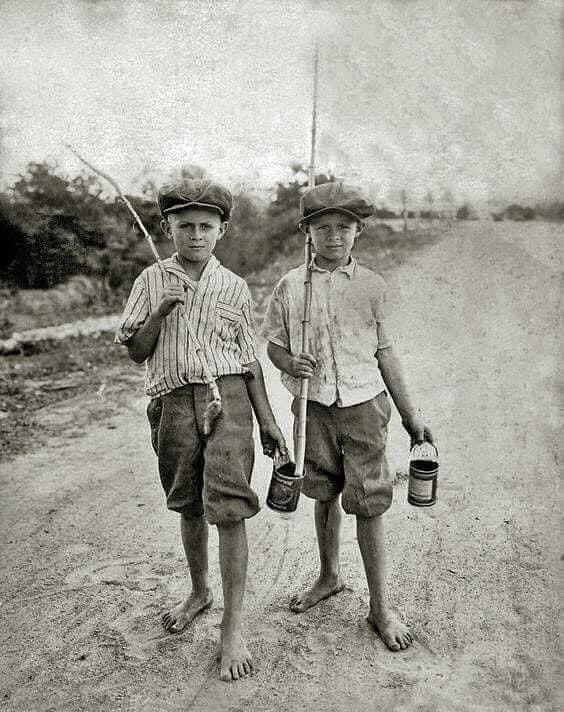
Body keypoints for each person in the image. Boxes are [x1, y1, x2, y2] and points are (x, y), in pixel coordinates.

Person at [115, 178, 286, 682]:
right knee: (188, 502)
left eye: (205, 226)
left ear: (222, 229)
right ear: (167, 227)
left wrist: (269, 420)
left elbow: (248, 360)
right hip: (172, 401)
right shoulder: (150, 280)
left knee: (229, 507)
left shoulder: (232, 286)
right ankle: (199, 590)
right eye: (184, 225)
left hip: (229, 398)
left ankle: (232, 626)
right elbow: (135, 351)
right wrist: (164, 309)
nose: (194, 235)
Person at [261, 181, 433, 652]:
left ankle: (380, 606)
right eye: (322, 227)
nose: (333, 236)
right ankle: (329, 575)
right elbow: (273, 344)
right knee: (323, 492)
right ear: (307, 233)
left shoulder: (374, 287)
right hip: (312, 407)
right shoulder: (291, 287)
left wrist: (410, 417)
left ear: (357, 231)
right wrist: (287, 361)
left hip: (363, 406)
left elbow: (386, 353)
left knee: (369, 501)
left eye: (343, 227)